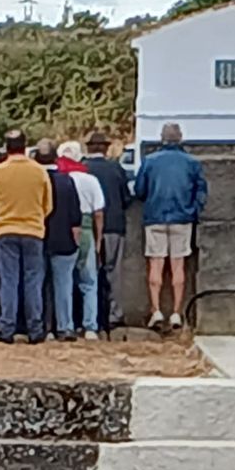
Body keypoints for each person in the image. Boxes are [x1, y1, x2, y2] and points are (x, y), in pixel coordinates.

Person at [135, 122, 207, 331]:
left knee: (155, 264)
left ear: (161, 138)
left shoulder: (150, 161)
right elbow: (201, 189)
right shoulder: (192, 163)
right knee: (178, 265)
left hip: (155, 216)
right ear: (181, 138)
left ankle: (156, 310)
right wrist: (193, 210)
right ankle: (176, 313)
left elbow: (140, 190)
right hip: (182, 217)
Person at [0, 129, 52, 345]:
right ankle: (35, 329)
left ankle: (7, 328)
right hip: (33, 230)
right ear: (25, 146)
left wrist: (0, 218)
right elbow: (48, 205)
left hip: (6, 229)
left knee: (9, 280)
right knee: (33, 280)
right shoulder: (39, 171)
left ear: (7, 147)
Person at [83, 131, 133, 329]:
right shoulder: (116, 169)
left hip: (87, 227)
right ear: (105, 148)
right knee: (114, 272)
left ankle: (91, 315)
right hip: (113, 225)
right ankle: (114, 314)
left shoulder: (83, 169)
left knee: (88, 272)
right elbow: (126, 198)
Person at [35, 140, 82, 342]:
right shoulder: (66, 181)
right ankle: (65, 327)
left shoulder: (34, 180)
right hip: (64, 240)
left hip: (37, 238)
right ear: (56, 159)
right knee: (63, 286)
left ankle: (42, 327)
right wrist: (76, 241)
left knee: (37, 285)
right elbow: (75, 217)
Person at [58, 141, 105, 340]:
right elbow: (99, 213)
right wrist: (98, 239)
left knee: (64, 280)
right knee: (89, 280)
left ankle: (65, 325)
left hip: (63, 228)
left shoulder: (60, 178)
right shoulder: (90, 179)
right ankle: (90, 326)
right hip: (86, 227)